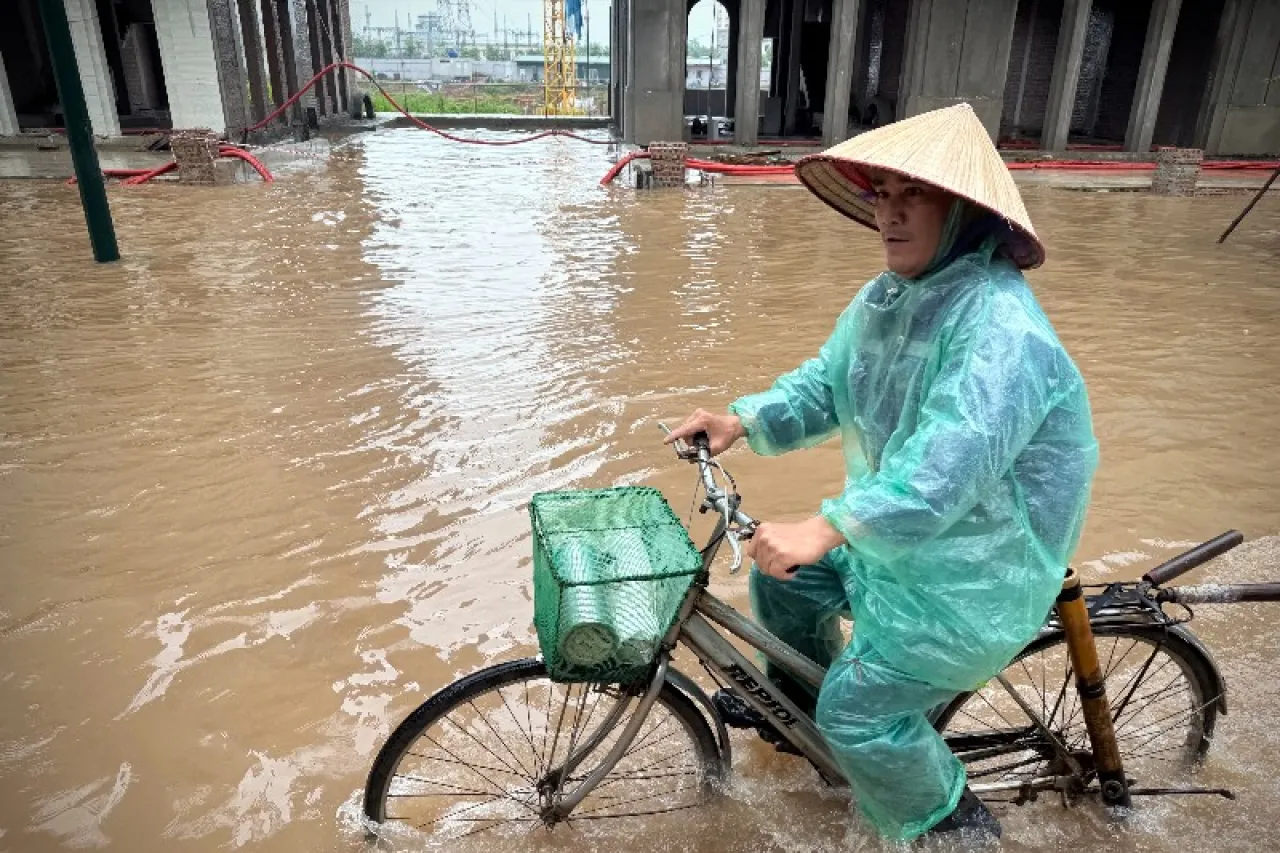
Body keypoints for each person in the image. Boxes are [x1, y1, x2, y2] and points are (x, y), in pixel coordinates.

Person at [665, 103, 1098, 842]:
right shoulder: (890, 297)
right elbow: (828, 383)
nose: (891, 218)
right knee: (781, 578)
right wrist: (741, 420)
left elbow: (942, 472)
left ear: (961, 210)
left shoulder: (1001, 330)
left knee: (857, 708)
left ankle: (957, 827)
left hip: (974, 576)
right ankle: (799, 724)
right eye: (883, 197)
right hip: (905, 549)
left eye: (914, 198)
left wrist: (827, 524)